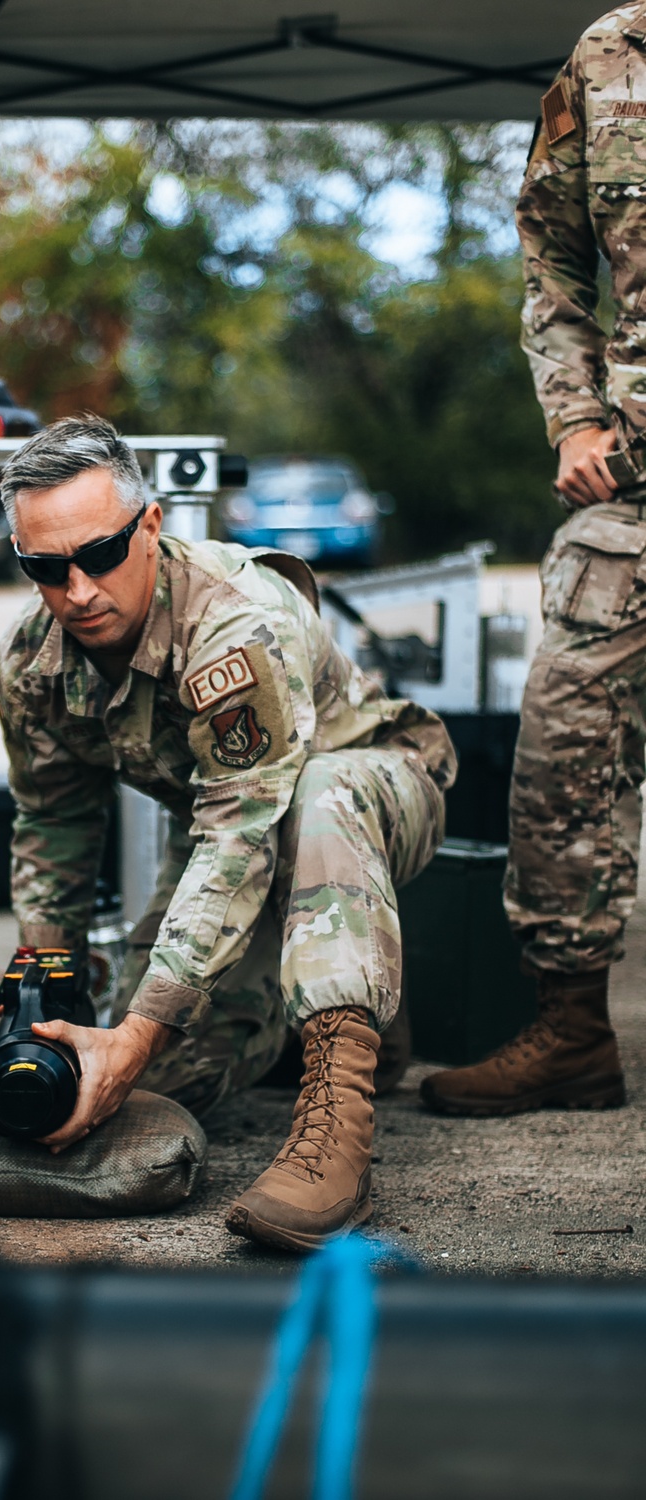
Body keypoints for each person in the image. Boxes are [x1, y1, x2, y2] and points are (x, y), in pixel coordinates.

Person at [0, 416, 455, 1252]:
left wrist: (136, 1030)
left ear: (152, 525)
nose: (79, 590)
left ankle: (337, 1128)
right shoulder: (32, 663)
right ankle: (330, 1010)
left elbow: (244, 834)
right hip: (232, 829)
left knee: (320, 791)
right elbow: (53, 820)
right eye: (45, 568)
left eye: (99, 554)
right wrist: (47, 987)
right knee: (151, 1084)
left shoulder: (236, 624)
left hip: (372, 790)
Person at [422, 4, 646, 1117]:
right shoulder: (608, 57)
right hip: (634, 489)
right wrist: (572, 416)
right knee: (559, 748)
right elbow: (550, 248)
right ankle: (569, 1032)